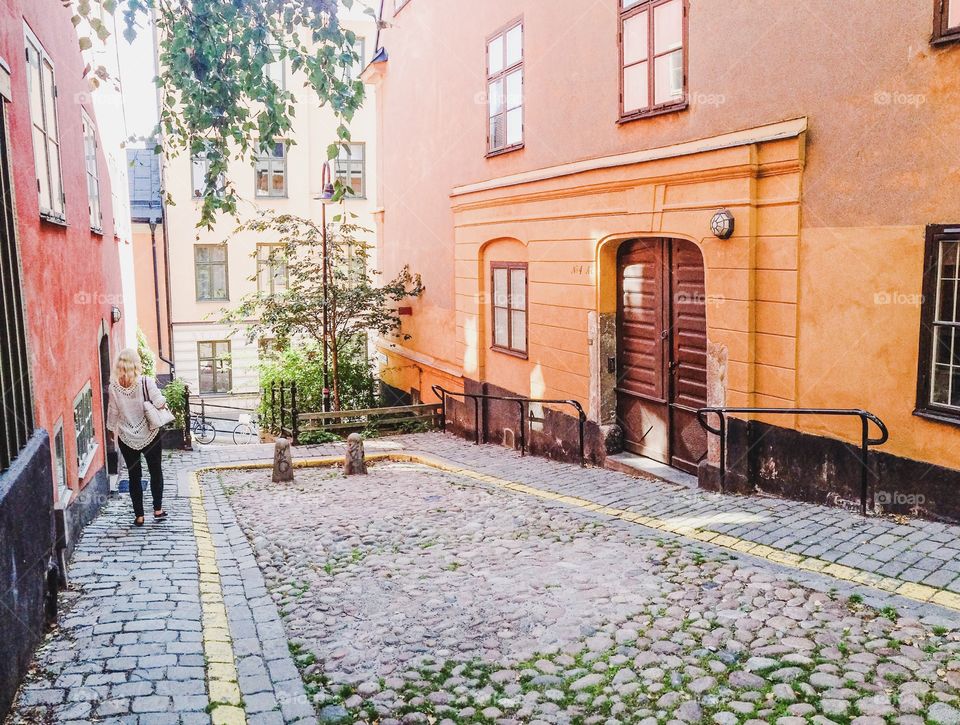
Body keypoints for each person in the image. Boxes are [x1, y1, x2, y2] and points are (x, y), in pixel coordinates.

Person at [106, 348, 168, 526]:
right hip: (150, 433)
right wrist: (163, 402)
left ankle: (139, 516)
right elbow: (159, 402)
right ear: (136, 364)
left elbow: (113, 412)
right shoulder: (146, 381)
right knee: (155, 472)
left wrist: (110, 430)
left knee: (134, 476)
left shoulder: (114, 387)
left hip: (126, 437)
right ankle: (157, 510)